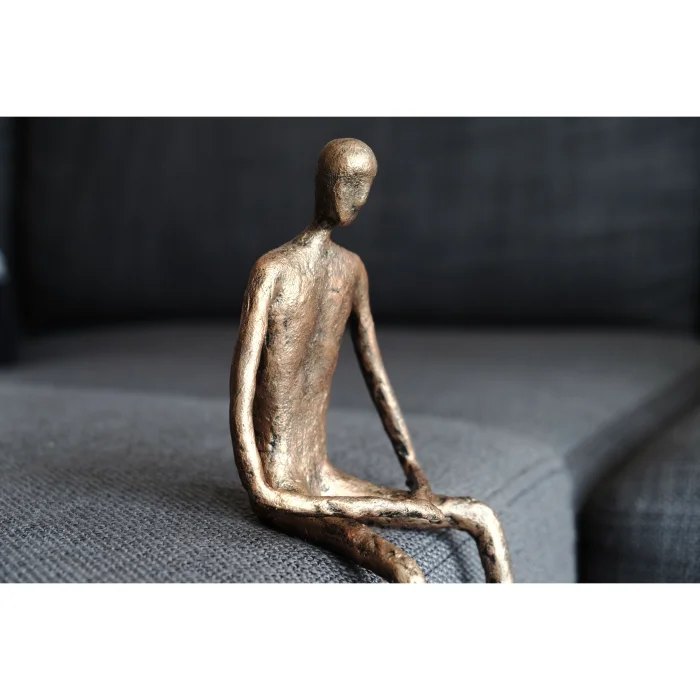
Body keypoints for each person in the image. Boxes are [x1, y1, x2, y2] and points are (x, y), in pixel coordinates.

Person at [230, 138, 512, 583]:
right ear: (323, 183)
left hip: (323, 477)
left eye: (365, 185)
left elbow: (376, 377)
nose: (358, 197)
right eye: (348, 182)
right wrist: (262, 489)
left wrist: (414, 471)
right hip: (281, 487)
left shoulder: (352, 270)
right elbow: (241, 395)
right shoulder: (272, 271)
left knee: (483, 517)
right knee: (405, 571)